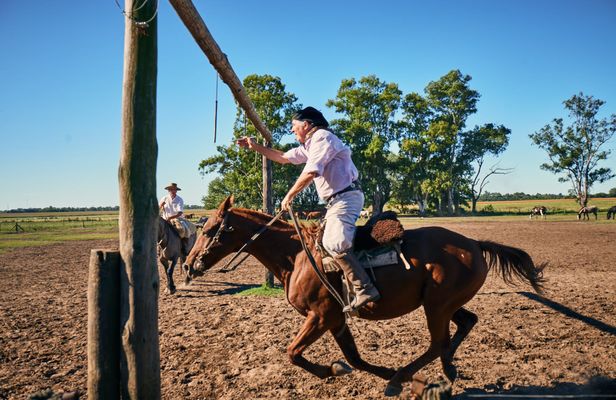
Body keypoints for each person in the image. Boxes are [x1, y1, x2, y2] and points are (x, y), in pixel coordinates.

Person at [237, 106, 380, 313]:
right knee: (322, 244)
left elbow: (311, 171)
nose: (293, 131)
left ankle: (364, 287)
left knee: (335, 242)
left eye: (295, 127)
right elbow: (284, 158)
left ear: (306, 125)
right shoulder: (310, 145)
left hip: (346, 198)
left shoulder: (323, 138)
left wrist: (290, 194)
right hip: (336, 201)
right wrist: (255, 146)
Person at [159, 182, 194, 254]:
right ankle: (157, 248)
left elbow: (180, 213)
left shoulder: (179, 199)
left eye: (174, 189)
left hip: (177, 219)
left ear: (176, 190)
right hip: (165, 219)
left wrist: (170, 217)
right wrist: (161, 205)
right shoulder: (164, 198)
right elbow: (158, 208)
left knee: (183, 230)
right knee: (156, 230)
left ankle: (184, 246)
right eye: (170, 189)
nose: (172, 191)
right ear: (168, 190)